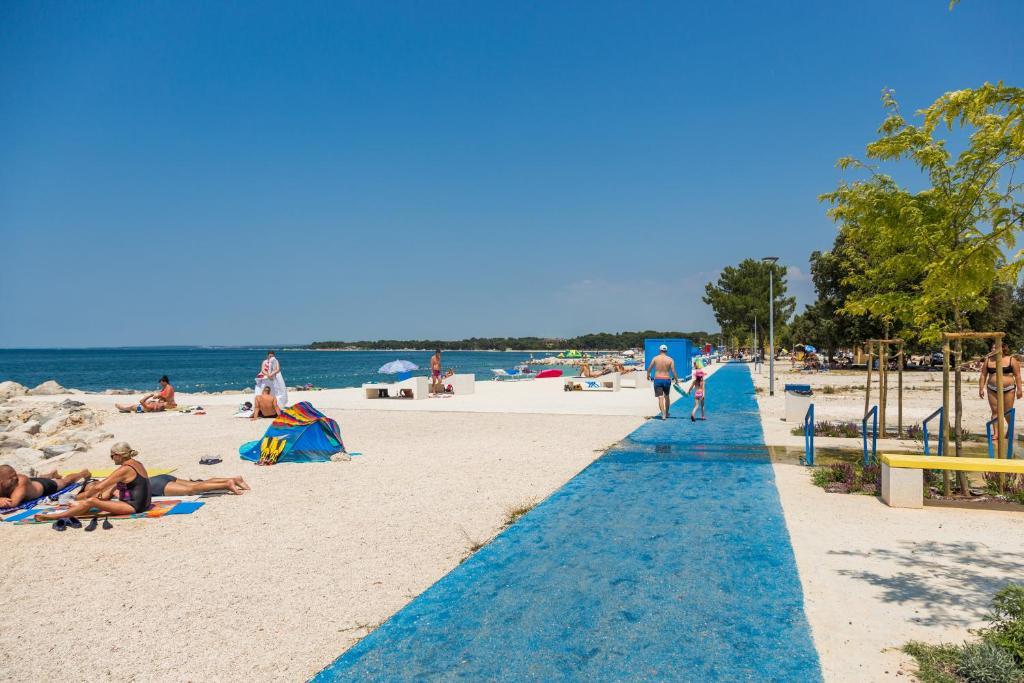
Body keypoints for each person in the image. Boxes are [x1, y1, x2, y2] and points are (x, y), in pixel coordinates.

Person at [34, 442, 150, 522]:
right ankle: (79, 506)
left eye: (112, 456)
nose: (112, 459)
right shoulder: (137, 464)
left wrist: (86, 497)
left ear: (118, 456)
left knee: (91, 501)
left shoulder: (125, 469)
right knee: (110, 489)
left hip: (134, 507)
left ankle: (56, 516)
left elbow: (99, 487)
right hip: (144, 504)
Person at [0, 465, 91, 508]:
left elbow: (12, 504)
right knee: (36, 479)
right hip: (31, 483)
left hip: (42, 487)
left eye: (15, 475)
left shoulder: (20, 481)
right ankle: (51, 475)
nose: (15, 478)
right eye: (11, 478)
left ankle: (82, 473)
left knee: (65, 482)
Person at [978, 342, 1023, 425]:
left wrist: (1020, 390)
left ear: (1002, 348)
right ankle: (996, 432)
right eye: (992, 348)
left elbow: (1017, 376)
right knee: (995, 411)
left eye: (995, 347)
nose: (993, 349)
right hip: (992, 388)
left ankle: (1010, 429)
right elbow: (983, 375)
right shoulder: (988, 360)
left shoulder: (1011, 360)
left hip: (1009, 389)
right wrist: (981, 388)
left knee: (1007, 411)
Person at [646, 344, 680, 420]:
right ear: (666, 350)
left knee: (660, 397)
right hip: (666, 379)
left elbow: (649, 368)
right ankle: (667, 413)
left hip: (658, 379)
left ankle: (663, 414)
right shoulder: (670, 359)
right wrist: (677, 380)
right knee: (667, 397)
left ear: (660, 350)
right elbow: (673, 370)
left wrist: (647, 375)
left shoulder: (655, 358)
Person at [149, 473, 250, 497]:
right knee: (198, 484)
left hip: (156, 486)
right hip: (161, 477)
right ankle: (234, 479)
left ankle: (227, 484)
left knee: (191, 490)